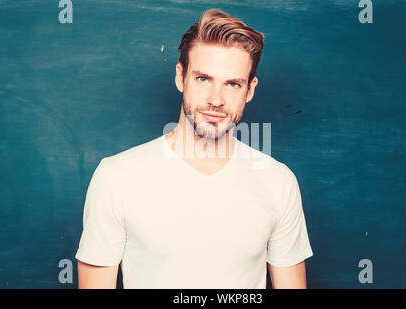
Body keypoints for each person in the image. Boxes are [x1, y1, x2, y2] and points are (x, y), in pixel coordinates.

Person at [75, 8, 313, 289]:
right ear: (181, 76)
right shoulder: (116, 177)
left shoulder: (278, 181)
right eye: (203, 79)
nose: (216, 99)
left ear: (249, 90)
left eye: (233, 84)